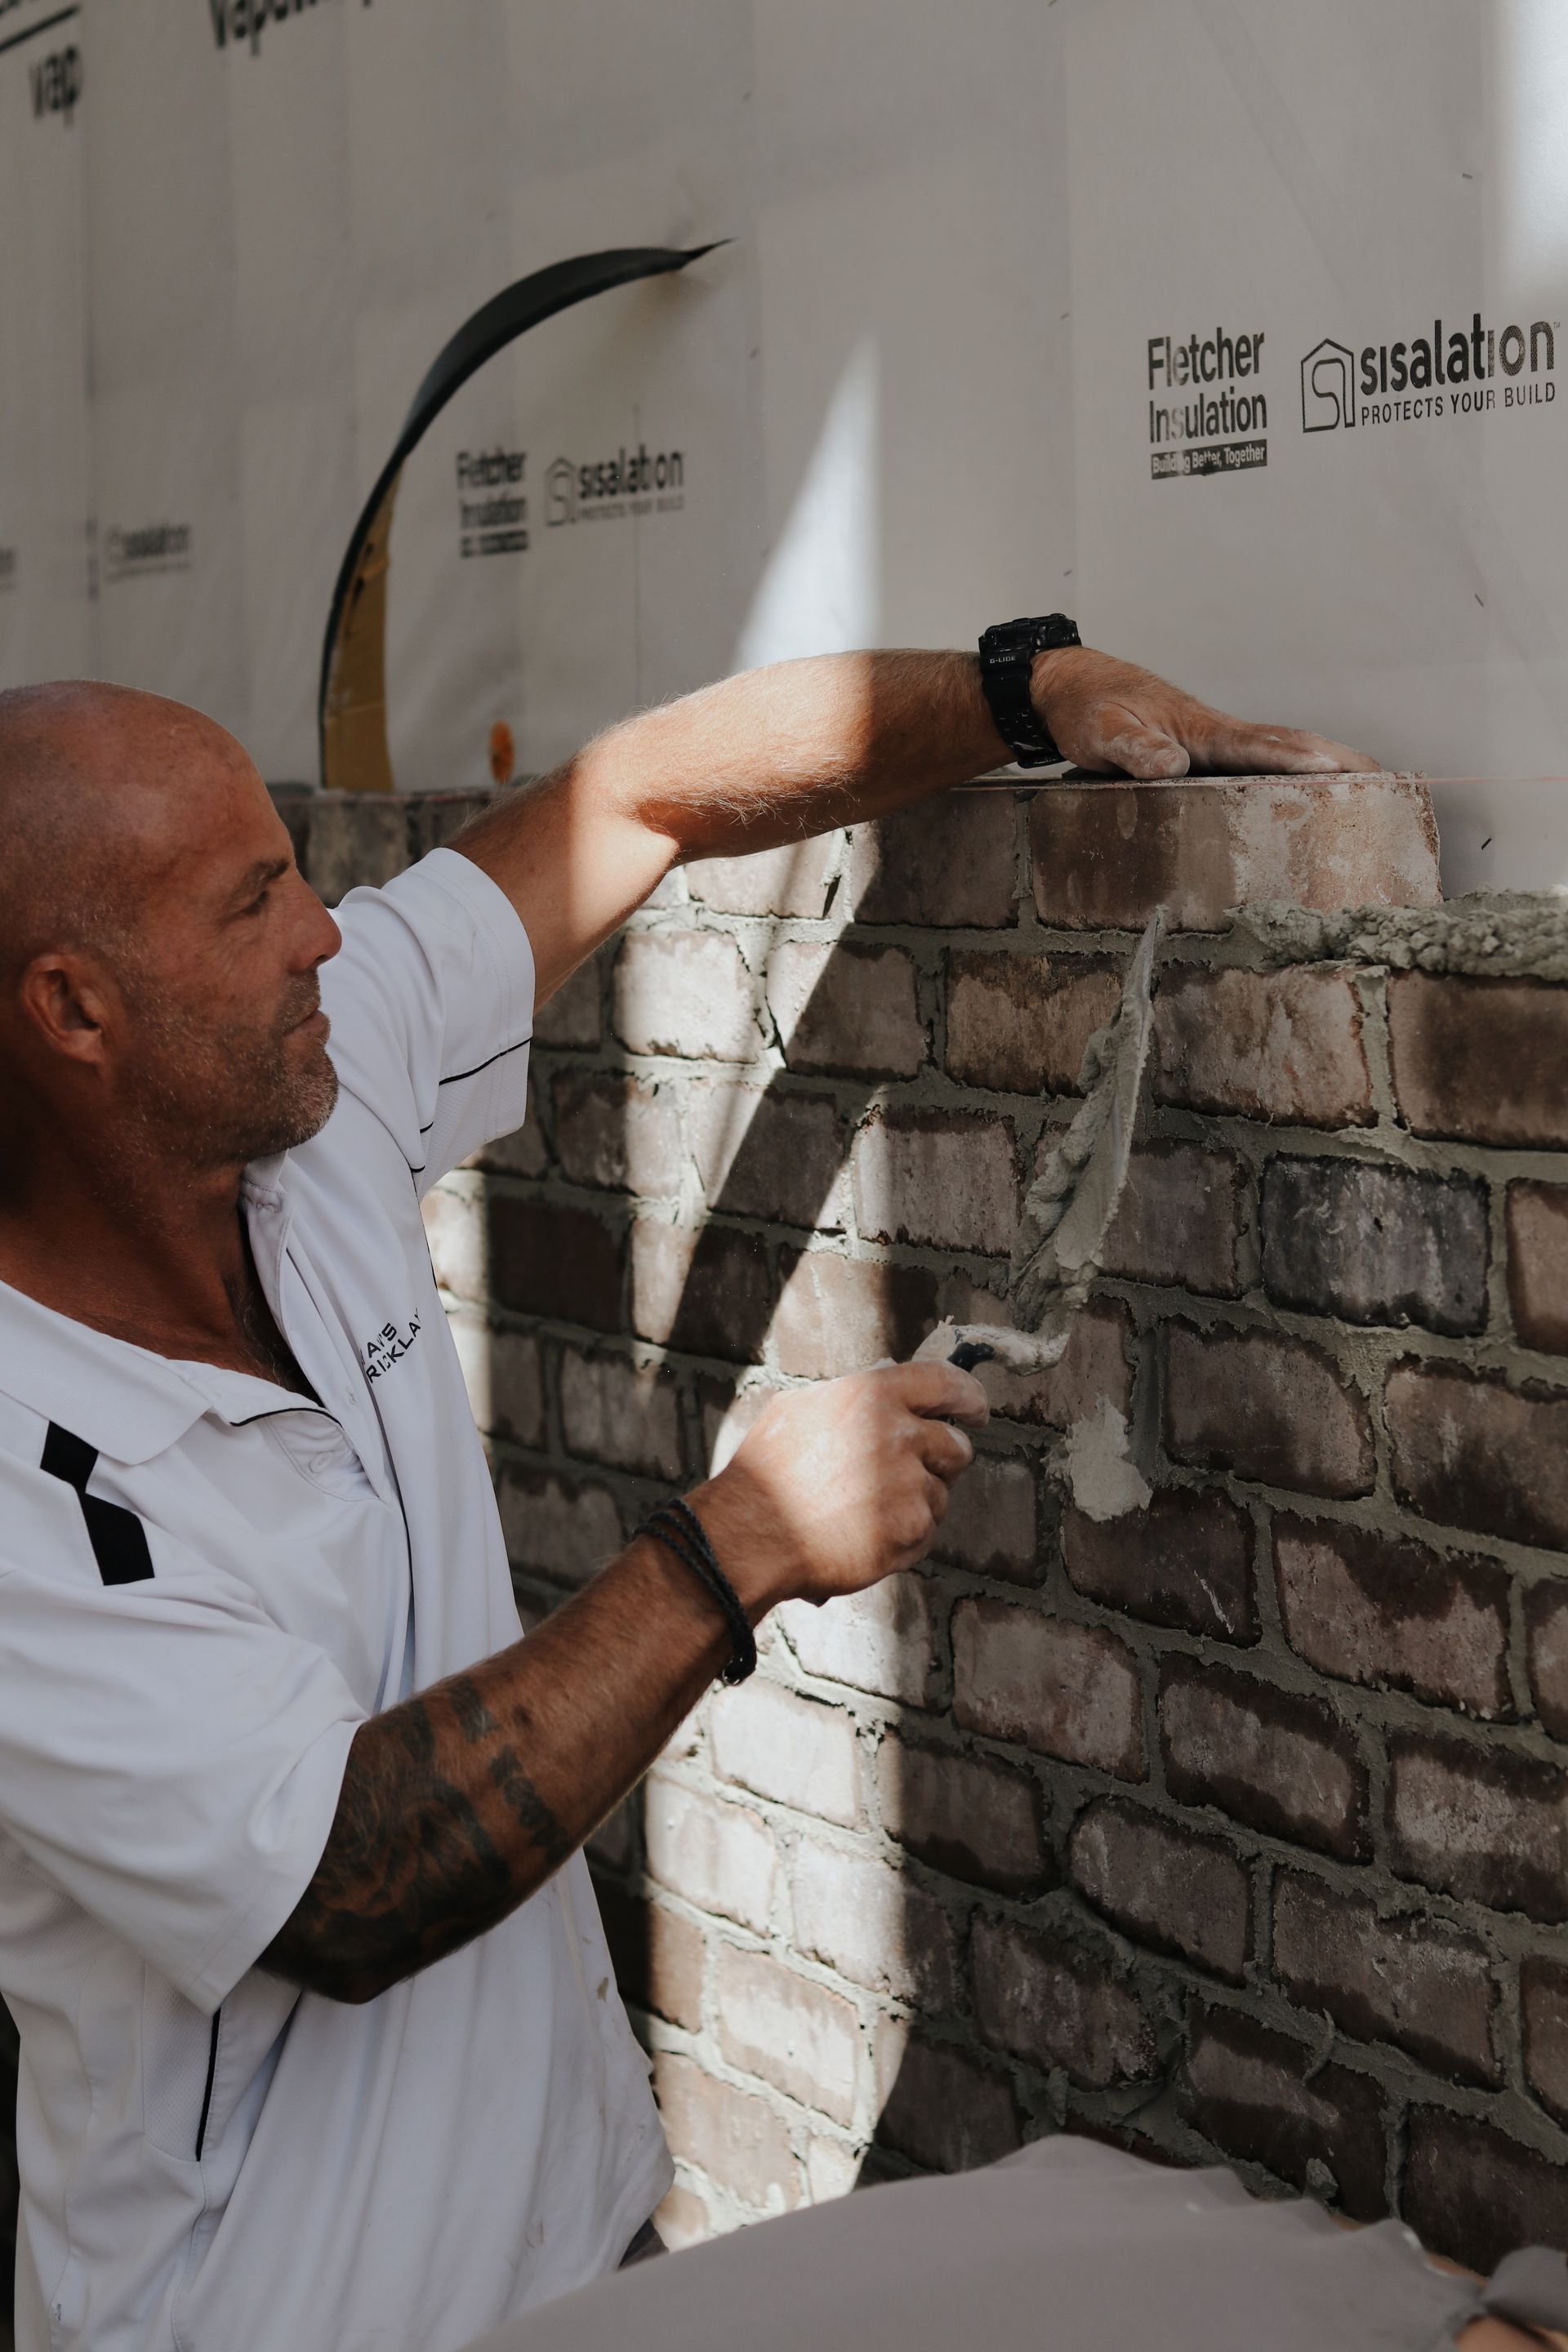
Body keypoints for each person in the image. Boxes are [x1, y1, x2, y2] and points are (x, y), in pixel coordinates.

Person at [0, 635, 1369, 2352]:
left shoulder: (303, 1131)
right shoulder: (21, 1479)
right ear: (74, 1010)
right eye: (250, 901)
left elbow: (633, 796)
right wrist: (733, 1550)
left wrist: (1026, 690)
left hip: (575, 2255)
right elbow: (345, 1886)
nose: (325, 930)